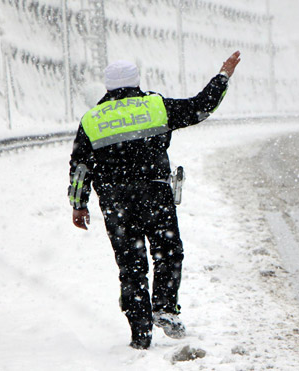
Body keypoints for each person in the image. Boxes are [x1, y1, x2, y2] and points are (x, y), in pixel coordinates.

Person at [68, 51, 241, 349]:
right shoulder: (155, 106)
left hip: (115, 202)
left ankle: (140, 333)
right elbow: (200, 108)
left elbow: (80, 166)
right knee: (168, 251)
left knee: (130, 265)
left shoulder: (92, 119)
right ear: (136, 81)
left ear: (108, 87)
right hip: (155, 194)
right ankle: (165, 307)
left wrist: (79, 204)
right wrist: (222, 77)